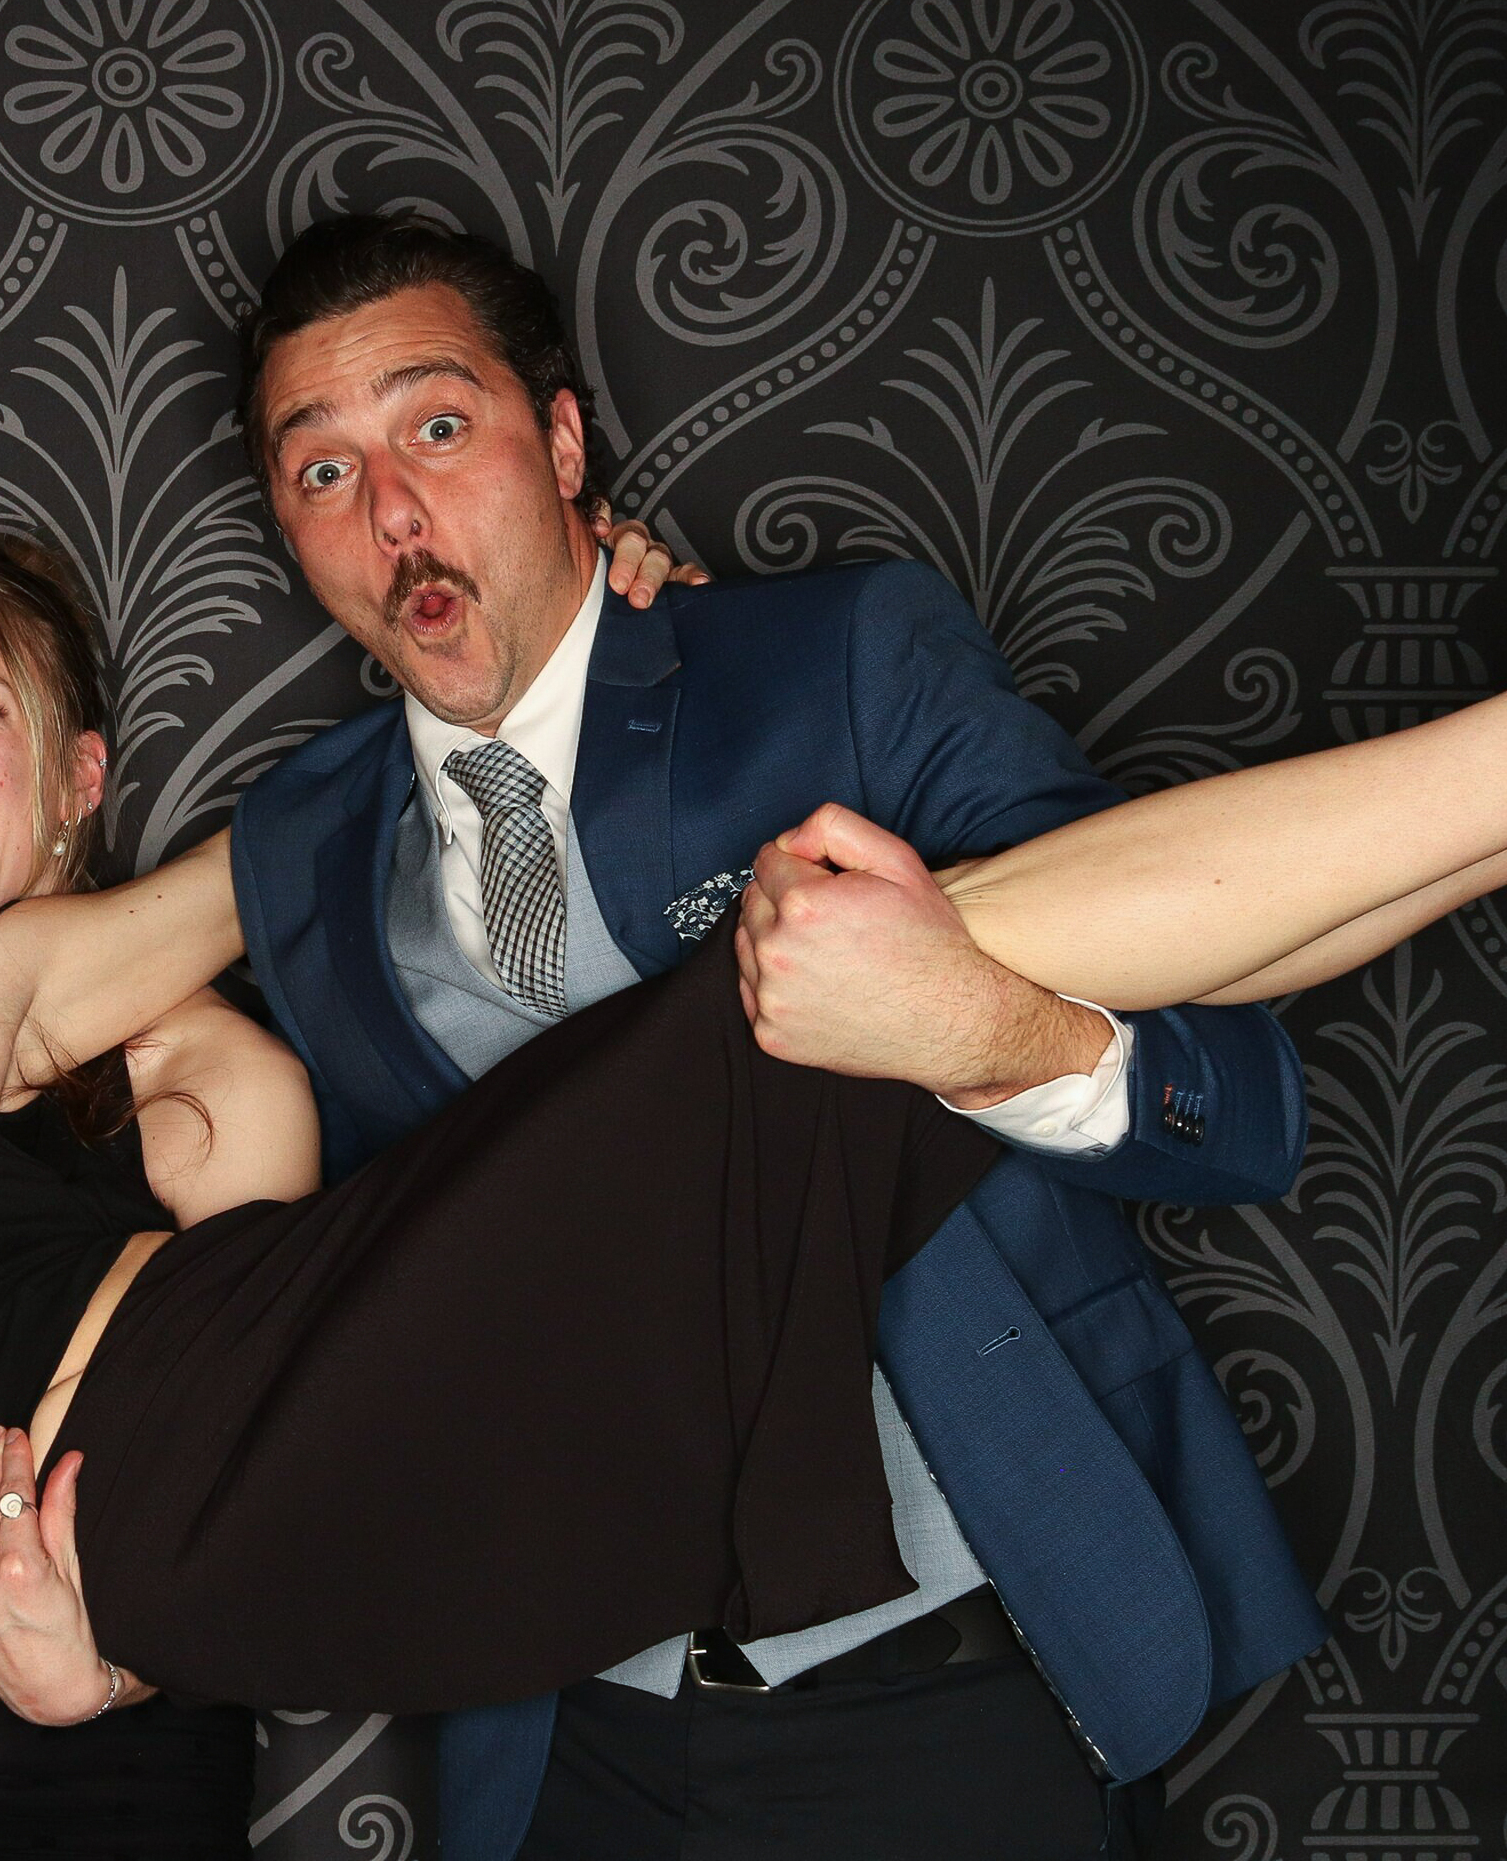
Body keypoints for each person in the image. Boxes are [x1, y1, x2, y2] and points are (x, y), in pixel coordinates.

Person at [0, 689, 1507, 1856]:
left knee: (856, 986)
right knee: (826, 996)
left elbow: (267, 865)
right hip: (220, 1526)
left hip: (293, 1324)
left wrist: (544, 675)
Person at [222, 211, 1327, 1858]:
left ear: (565, 443)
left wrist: (982, 1027)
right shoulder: (294, 853)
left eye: (440, 427)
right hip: (565, 1740)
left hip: (948, 1703)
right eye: (325, 471)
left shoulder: (835, 665)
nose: (393, 510)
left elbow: (1237, 1097)